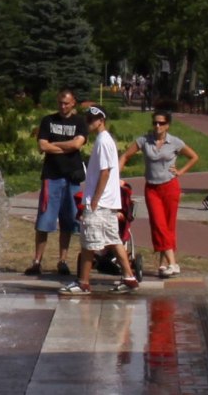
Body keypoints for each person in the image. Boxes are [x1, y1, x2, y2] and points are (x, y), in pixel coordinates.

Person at [63, 108, 137, 296]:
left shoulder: (103, 141)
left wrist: (95, 199)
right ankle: (129, 277)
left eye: (93, 118)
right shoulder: (105, 140)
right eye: (87, 118)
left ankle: (83, 282)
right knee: (113, 239)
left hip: (100, 202)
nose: (89, 121)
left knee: (89, 242)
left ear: (102, 120)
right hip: (107, 202)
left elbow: (106, 171)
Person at [121, 111, 197, 278]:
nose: (157, 126)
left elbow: (193, 157)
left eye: (161, 123)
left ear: (167, 125)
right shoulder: (144, 140)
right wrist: (115, 175)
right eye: (155, 123)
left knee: (168, 226)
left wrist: (180, 171)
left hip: (170, 187)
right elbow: (126, 155)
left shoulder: (174, 142)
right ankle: (173, 263)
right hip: (152, 188)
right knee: (158, 224)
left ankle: (163, 264)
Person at [27, 91, 86, 277]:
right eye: (60, 103)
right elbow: (43, 146)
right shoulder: (48, 121)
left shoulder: (79, 122)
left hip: (72, 177)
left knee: (69, 220)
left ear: (73, 103)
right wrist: (66, 147)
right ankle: (37, 261)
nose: (63, 106)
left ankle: (63, 261)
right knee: (44, 220)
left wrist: (56, 146)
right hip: (51, 177)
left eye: (67, 103)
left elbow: (78, 145)